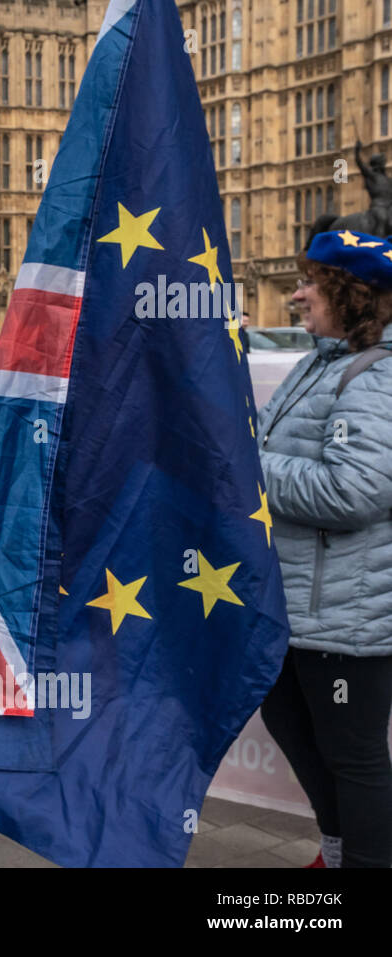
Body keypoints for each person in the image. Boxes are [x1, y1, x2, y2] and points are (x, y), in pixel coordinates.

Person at [256, 230, 392, 869]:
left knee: (354, 760)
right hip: (294, 604)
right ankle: (337, 852)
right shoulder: (322, 360)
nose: (298, 293)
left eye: (313, 283)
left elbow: (352, 492)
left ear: (353, 294)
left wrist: (246, 471)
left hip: (346, 617)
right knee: (297, 735)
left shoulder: (380, 372)